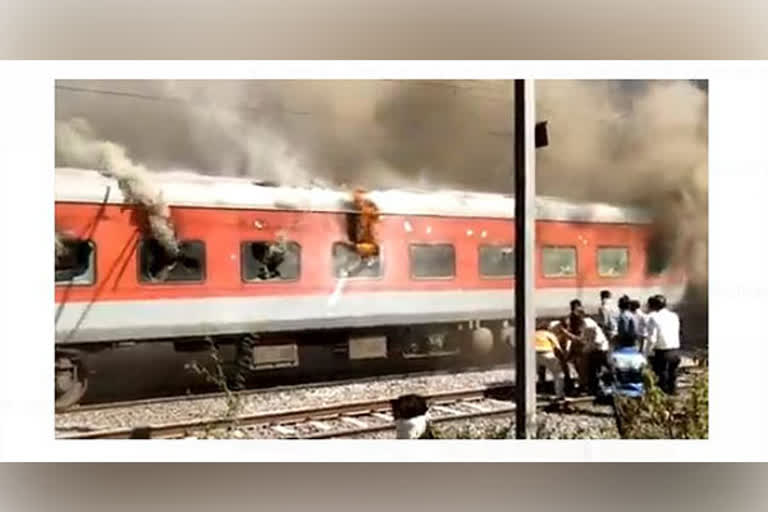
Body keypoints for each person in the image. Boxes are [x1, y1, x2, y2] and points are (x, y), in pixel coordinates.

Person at [558, 307, 610, 396]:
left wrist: (565, 333)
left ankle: (591, 388)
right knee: (592, 371)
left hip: (598, 349)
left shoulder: (588, 324)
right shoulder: (586, 323)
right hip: (596, 348)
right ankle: (592, 388)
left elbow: (582, 340)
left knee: (591, 369)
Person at [645, 294, 682, 394]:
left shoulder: (654, 318)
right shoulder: (674, 316)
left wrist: (647, 352)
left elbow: (652, 338)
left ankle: (663, 399)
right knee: (673, 377)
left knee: (661, 380)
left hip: (662, 353)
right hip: (675, 351)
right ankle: (673, 396)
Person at [534, 328, 566, 398]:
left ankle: (531, 394)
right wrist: (563, 359)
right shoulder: (549, 334)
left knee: (532, 375)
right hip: (547, 353)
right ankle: (559, 394)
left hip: (533, 354)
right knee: (558, 373)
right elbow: (558, 348)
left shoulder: (532, 334)